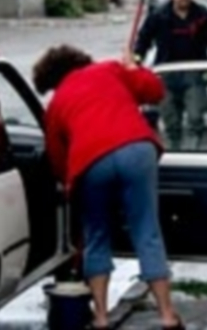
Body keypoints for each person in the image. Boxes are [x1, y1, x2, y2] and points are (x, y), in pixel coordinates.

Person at [34, 45, 184, 330]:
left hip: (91, 162)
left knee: (97, 236)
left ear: (51, 80)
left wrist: (69, 185)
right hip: (137, 150)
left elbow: (57, 157)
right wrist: (132, 67)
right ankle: (167, 316)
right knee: (147, 231)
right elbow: (154, 90)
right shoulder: (109, 69)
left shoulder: (55, 106)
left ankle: (101, 318)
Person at [133, 0, 207, 149]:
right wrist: (137, 60)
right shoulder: (159, 16)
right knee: (171, 122)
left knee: (195, 117)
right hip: (166, 76)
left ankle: (192, 154)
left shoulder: (202, 16)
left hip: (195, 76)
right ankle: (174, 153)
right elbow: (143, 40)